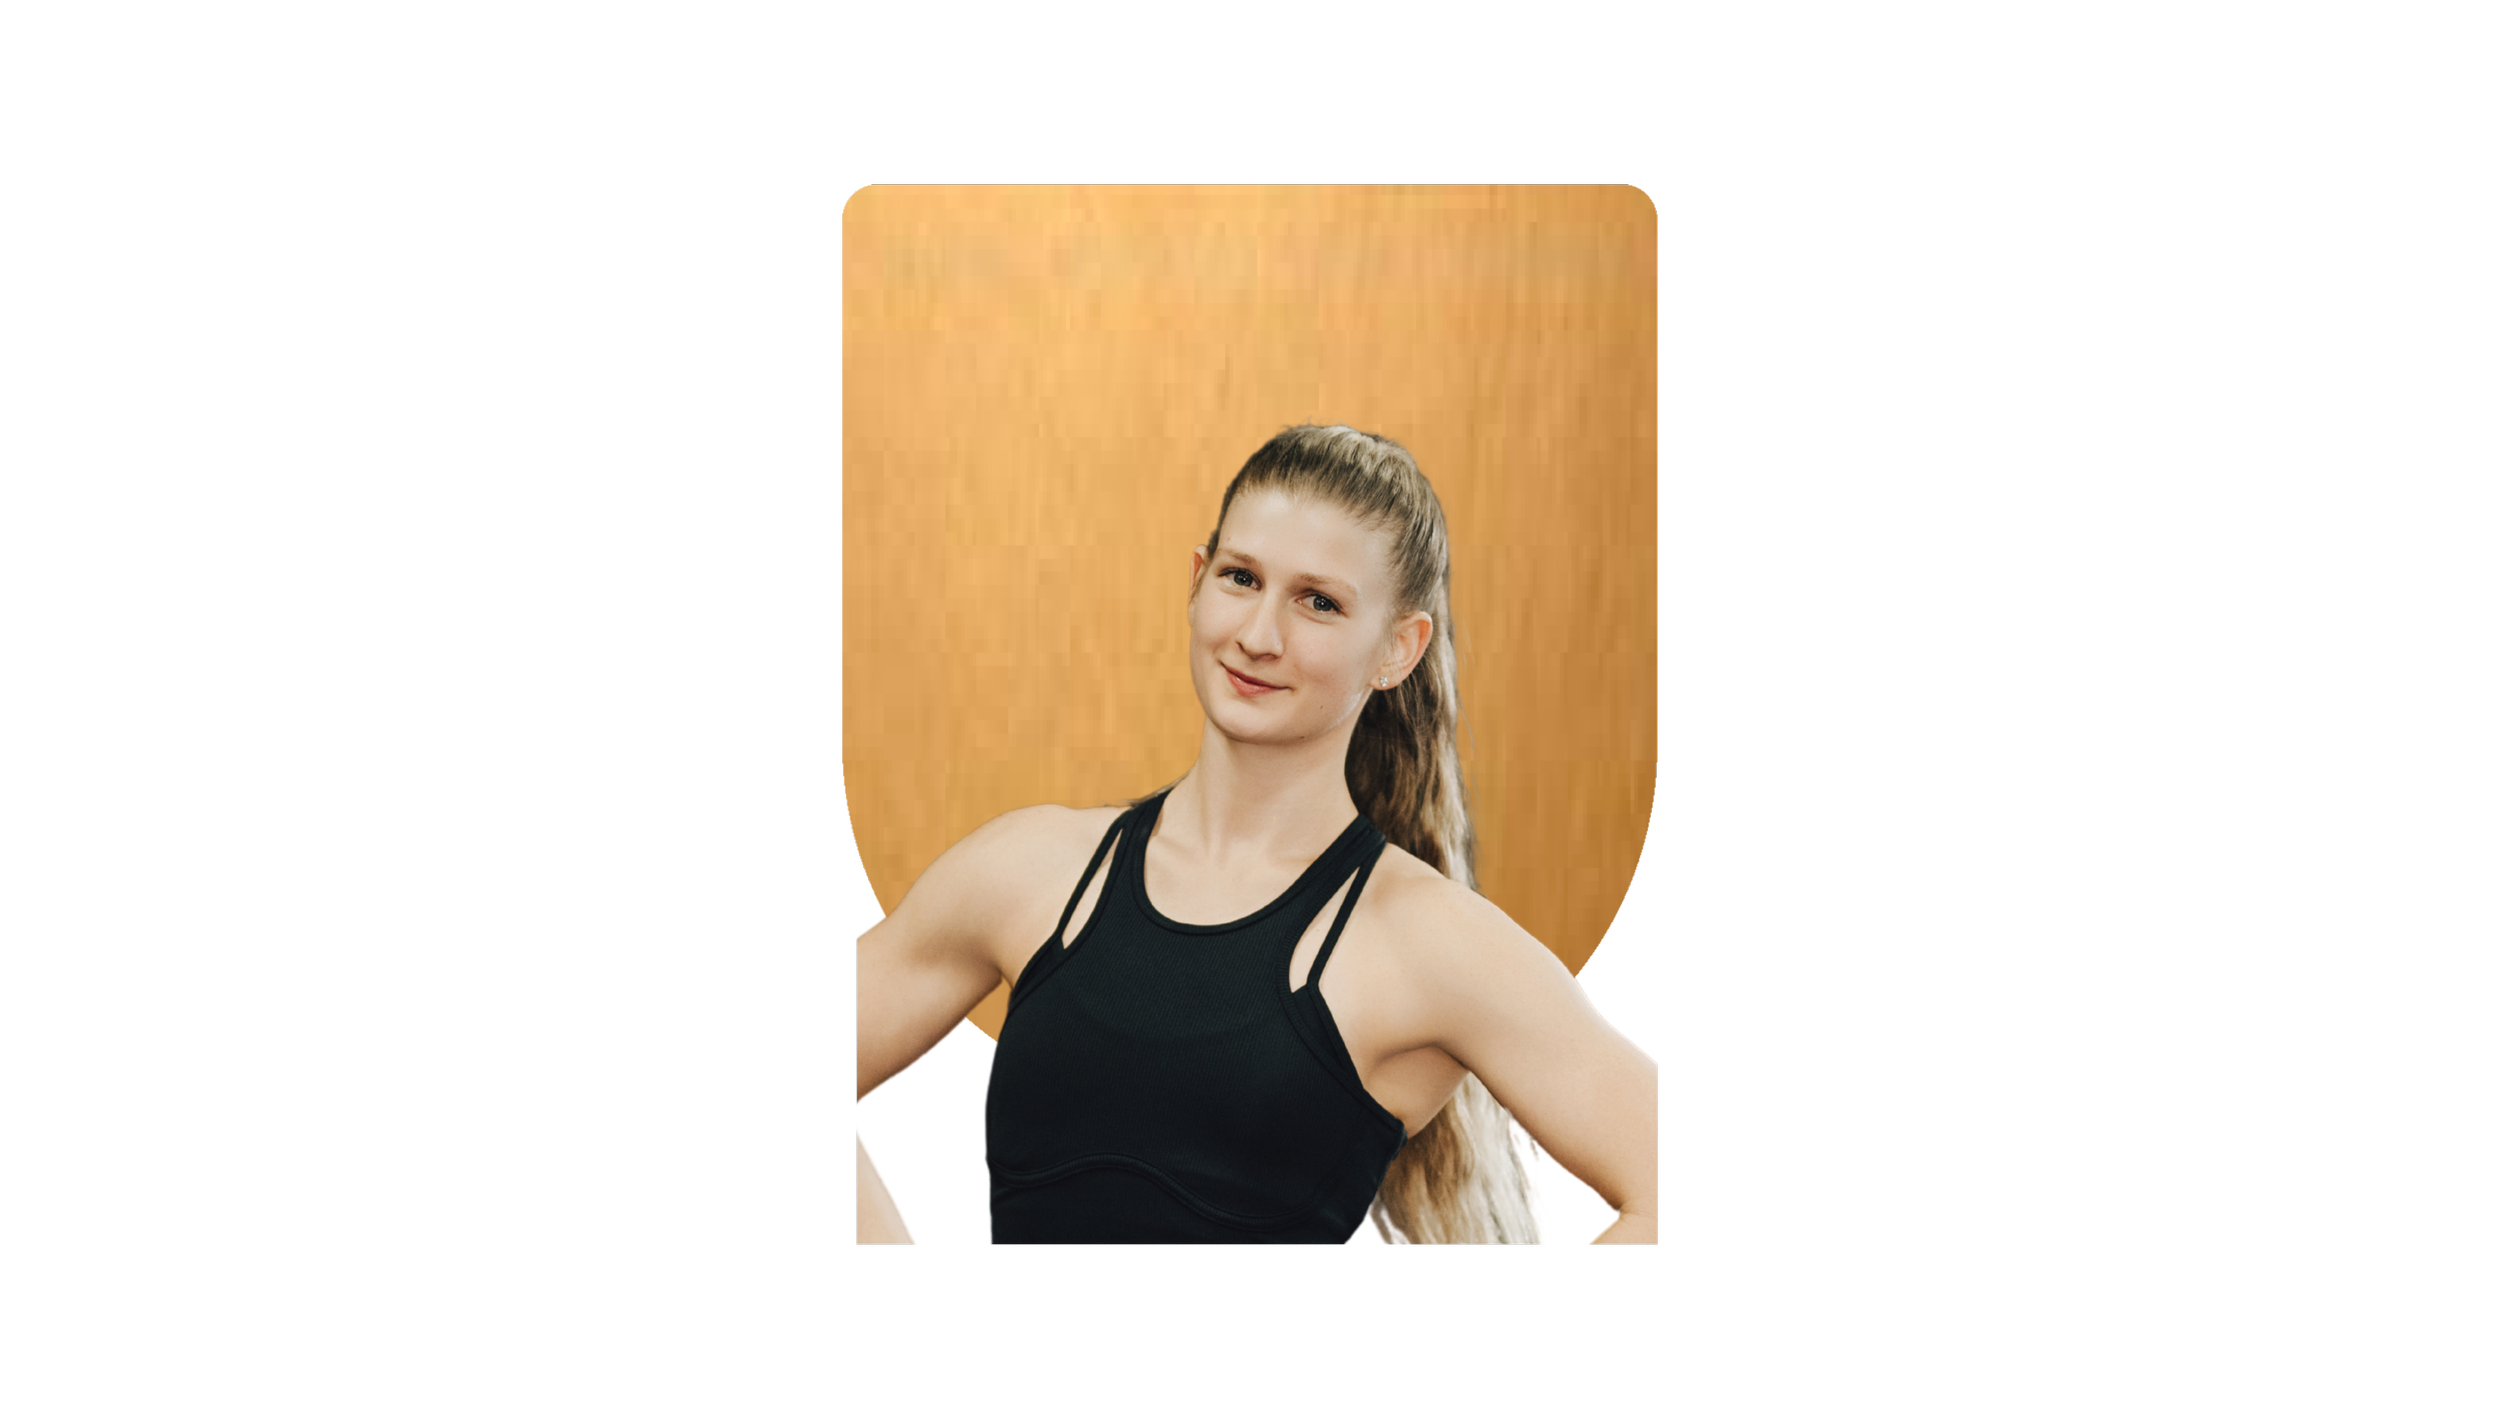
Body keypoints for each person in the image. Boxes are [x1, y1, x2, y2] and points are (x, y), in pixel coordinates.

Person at [857, 424, 1658, 1243]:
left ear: (1398, 648)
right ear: (1198, 582)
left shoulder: (1425, 942)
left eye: (1320, 602)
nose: (1259, 636)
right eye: (1242, 578)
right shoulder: (1029, 870)